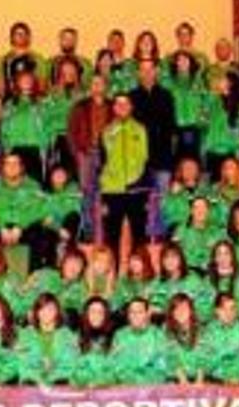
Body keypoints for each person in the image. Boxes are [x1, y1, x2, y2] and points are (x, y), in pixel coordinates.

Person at [0, 153, 58, 271]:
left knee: (44, 234)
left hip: (25, 228)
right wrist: (0, 226)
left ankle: (34, 276)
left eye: (15, 163)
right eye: (8, 164)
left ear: (22, 167)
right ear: (2, 168)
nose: (12, 167)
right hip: (0, 227)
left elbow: (40, 210)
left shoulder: (33, 187)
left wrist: (20, 226)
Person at [99, 93, 150, 260]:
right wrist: (102, 194)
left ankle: (140, 275)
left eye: (125, 104)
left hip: (137, 189)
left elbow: (146, 157)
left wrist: (143, 184)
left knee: (139, 234)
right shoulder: (106, 131)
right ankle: (113, 276)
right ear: (113, 108)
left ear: (131, 107)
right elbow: (101, 161)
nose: (122, 107)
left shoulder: (140, 130)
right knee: (112, 236)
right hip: (112, 190)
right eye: (118, 104)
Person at [129, 59, 176, 189]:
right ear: (138, 73)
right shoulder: (131, 97)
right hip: (138, 160)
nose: (147, 73)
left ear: (156, 72)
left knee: (162, 199)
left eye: (150, 69)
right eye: (143, 70)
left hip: (162, 157)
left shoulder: (166, 96)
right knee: (140, 200)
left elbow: (170, 126)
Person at [16, 293, 79, 385]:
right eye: (42, 309)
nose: (46, 313)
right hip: (32, 384)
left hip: (59, 384)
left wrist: (52, 379)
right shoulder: (25, 334)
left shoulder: (68, 335)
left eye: (50, 309)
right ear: (36, 312)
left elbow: (70, 365)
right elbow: (22, 364)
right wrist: (39, 379)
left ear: (57, 311)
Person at [202, 71, 239, 182]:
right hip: (212, 151)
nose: (219, 82)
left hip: (232, 152)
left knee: (232, 185)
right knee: (213, 188)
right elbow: (202, 120)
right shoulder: (212, 99)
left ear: (230, 83)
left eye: (222, 79)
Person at [0, 71, 48, 183]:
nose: (26, 82)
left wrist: (45, 146)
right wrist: (7, 147)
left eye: (29, 79)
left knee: (35, 182)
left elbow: (46, 126)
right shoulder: (10, 104)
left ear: (33, 83)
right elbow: (4, 127)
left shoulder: (42, 103)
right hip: (15, 148)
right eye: (22, 80)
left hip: (34, 147)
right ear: (17, 83)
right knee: (15, 182)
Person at [67, 74, 113, 191]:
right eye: (94, 84)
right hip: (86, 152)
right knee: (86, 189)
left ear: (106, 86)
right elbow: (72, 131)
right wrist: (77, 152)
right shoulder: (80, 106)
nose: (97, 87)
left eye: (100, 83)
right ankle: (86, 209)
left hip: (107, 153)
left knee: (107, 188)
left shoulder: (113, 106)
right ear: (90, 87)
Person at [110, 297, 171, 384]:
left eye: (139, 312)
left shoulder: (158, 335)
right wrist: (132, 381)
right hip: (126, 387)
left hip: (152, 388)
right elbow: (116, 366)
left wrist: (144, 381)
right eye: (132, 312)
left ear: (147, 314)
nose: (135, 315)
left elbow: (162, 367)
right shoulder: (120, 336)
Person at [71, 297, 117, 388]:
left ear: (106, 315)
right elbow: (73, 371)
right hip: (81, 392)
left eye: (100, 312)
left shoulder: (116, 338)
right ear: (86, 314)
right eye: (92, 312)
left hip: (108, 392)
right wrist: (86, 382)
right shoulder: (74, 338)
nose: (96, 316)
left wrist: (99, 382)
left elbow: (115, 371)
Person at [0, 22, 48, 98]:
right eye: (17, 34)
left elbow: (42, 85)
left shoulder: (38, 59)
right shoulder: (2, 60)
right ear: (11, 37)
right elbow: (0, 87)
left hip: (32, 103)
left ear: (28, 37)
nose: (21, 36)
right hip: (9, 104)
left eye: (24, 34)